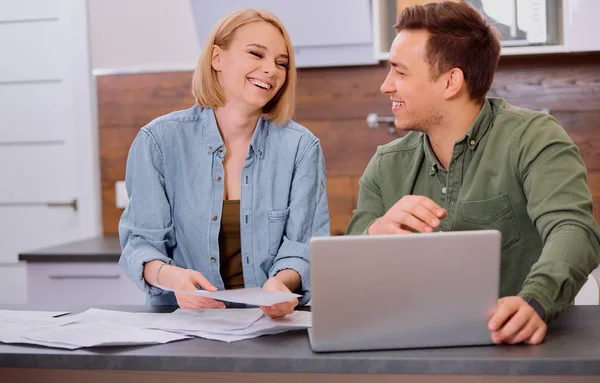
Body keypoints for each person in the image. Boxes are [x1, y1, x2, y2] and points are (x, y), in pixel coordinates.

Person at [346, 1, 600, 344]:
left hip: (520, 349)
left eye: (400, 71)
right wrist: (375, 233)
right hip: (410, 346)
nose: (385, 85)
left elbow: (574, 229)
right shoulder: (386, 163)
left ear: (451, 82)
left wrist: (534, 300)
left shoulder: (534, 137)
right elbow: (348, 267)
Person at [119, 9, 330, 319]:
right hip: (184, 326)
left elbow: (305, 247)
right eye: (256, 54)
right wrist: (169, 277)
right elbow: (141, 243)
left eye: (281, 63)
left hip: (269, 326)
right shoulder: (159, 141)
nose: (270, 70)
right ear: (217, 58)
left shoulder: (301, 147)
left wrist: (281, 285)